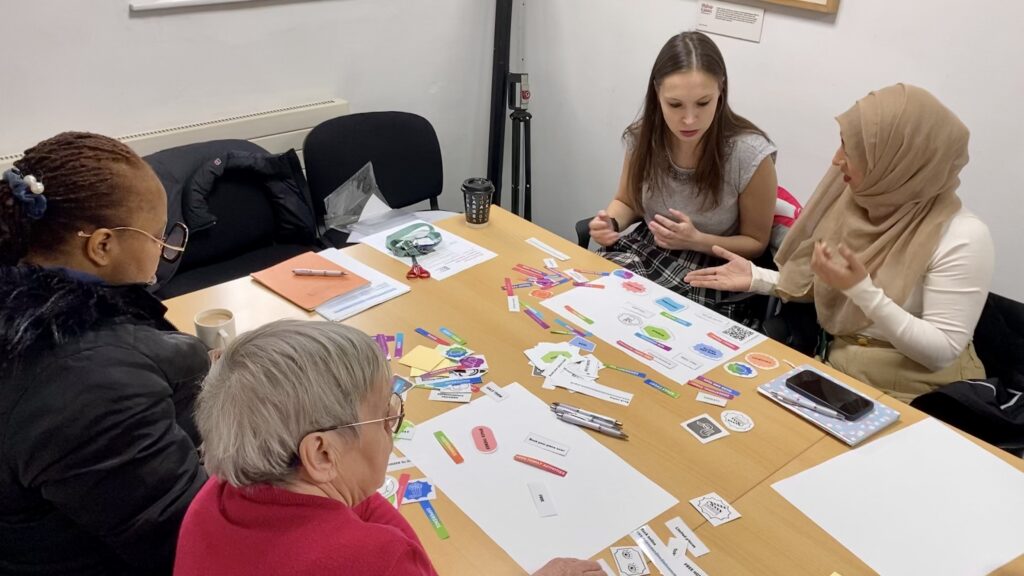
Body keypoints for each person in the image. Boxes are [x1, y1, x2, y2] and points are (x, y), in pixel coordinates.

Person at [175, 319, 604, 576]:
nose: (394, 426)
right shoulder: (378, 561)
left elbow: (350, 508)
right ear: (322, 454)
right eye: (385, 416)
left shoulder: (212, 499)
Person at [686, 84, 993, 402]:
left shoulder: (964, 237)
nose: (836, 160)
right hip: (838, 368)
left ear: (896, 161)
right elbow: (828, 282)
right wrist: (757, 277)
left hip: (921, 393)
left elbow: (940, 352)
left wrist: (862, 290)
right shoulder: (862, 202)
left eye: (850, 149)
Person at [0, 132, 208, 574]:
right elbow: (192, 542)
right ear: (102, 246)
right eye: (157, 236)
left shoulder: (33, 321)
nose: (164, 248)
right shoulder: (88, 382)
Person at [589, 31, 778, 319]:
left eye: (703, 103)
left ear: (721, 92)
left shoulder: (749, 153)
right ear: (657, 94)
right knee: (593, 305)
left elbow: (756, 243)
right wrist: (610, 222)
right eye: (675, 105)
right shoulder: (643, 138)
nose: (689, 119)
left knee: (663, 332)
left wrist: (696, 240)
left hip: (714, 269)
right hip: (645, 251)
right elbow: (627, 201)